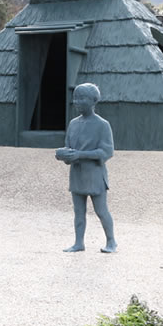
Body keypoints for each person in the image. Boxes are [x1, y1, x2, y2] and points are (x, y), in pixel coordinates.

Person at [55, 83, 117, 253]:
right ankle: (78, 243)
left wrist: (80, 155)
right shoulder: (73, 124)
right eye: (75, 98)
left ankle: (111, 241)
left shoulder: (102, 125)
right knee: (78, 212)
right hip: (77, 175)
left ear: (93, 101)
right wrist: (63, 155)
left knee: (101, 211)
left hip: (95, 175)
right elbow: (69, 148)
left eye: (82, 98)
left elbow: (107, 152)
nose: (77, 102)